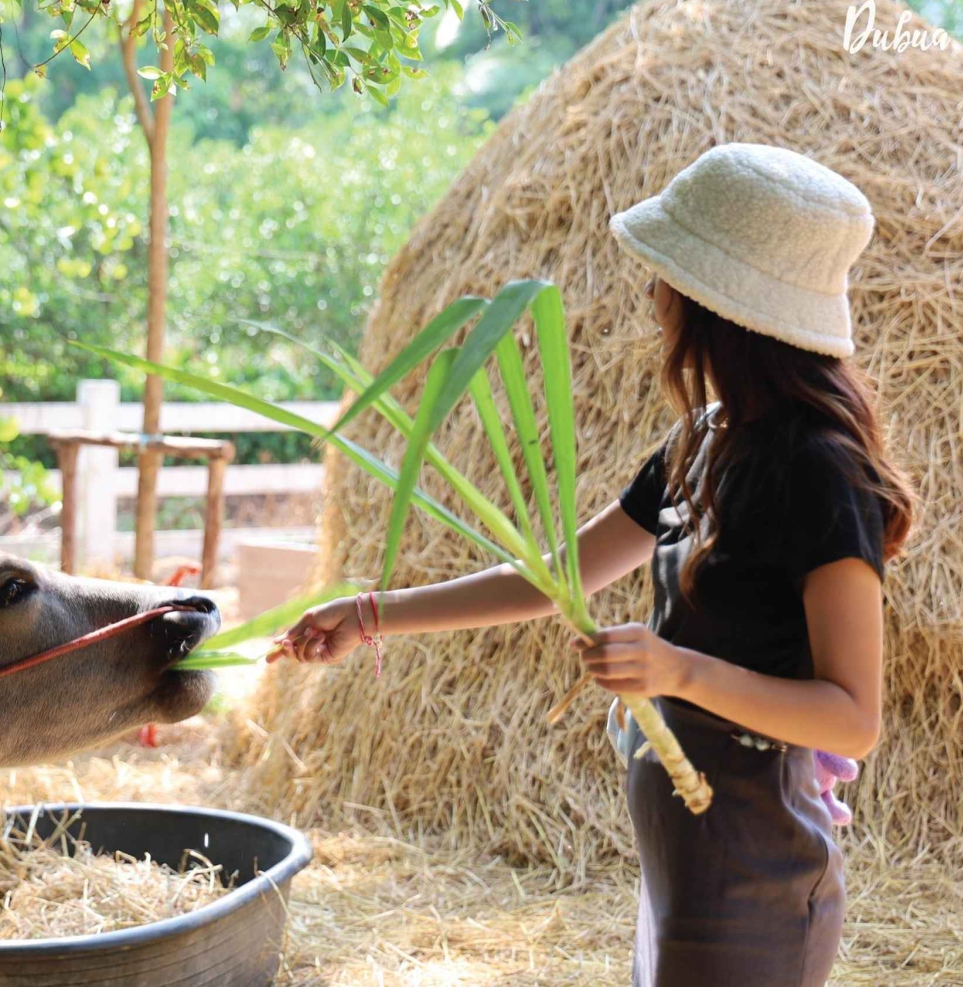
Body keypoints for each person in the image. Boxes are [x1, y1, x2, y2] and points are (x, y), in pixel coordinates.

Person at [274, 143, 916, 987]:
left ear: (716, 304)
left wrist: (677, 669)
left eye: (669, 273)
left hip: (756, 874)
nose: (653, 294)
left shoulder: (821, 473)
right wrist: (368, 614)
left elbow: (852, 716)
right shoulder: (703, 442)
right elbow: (552, 579)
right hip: (687, 855)